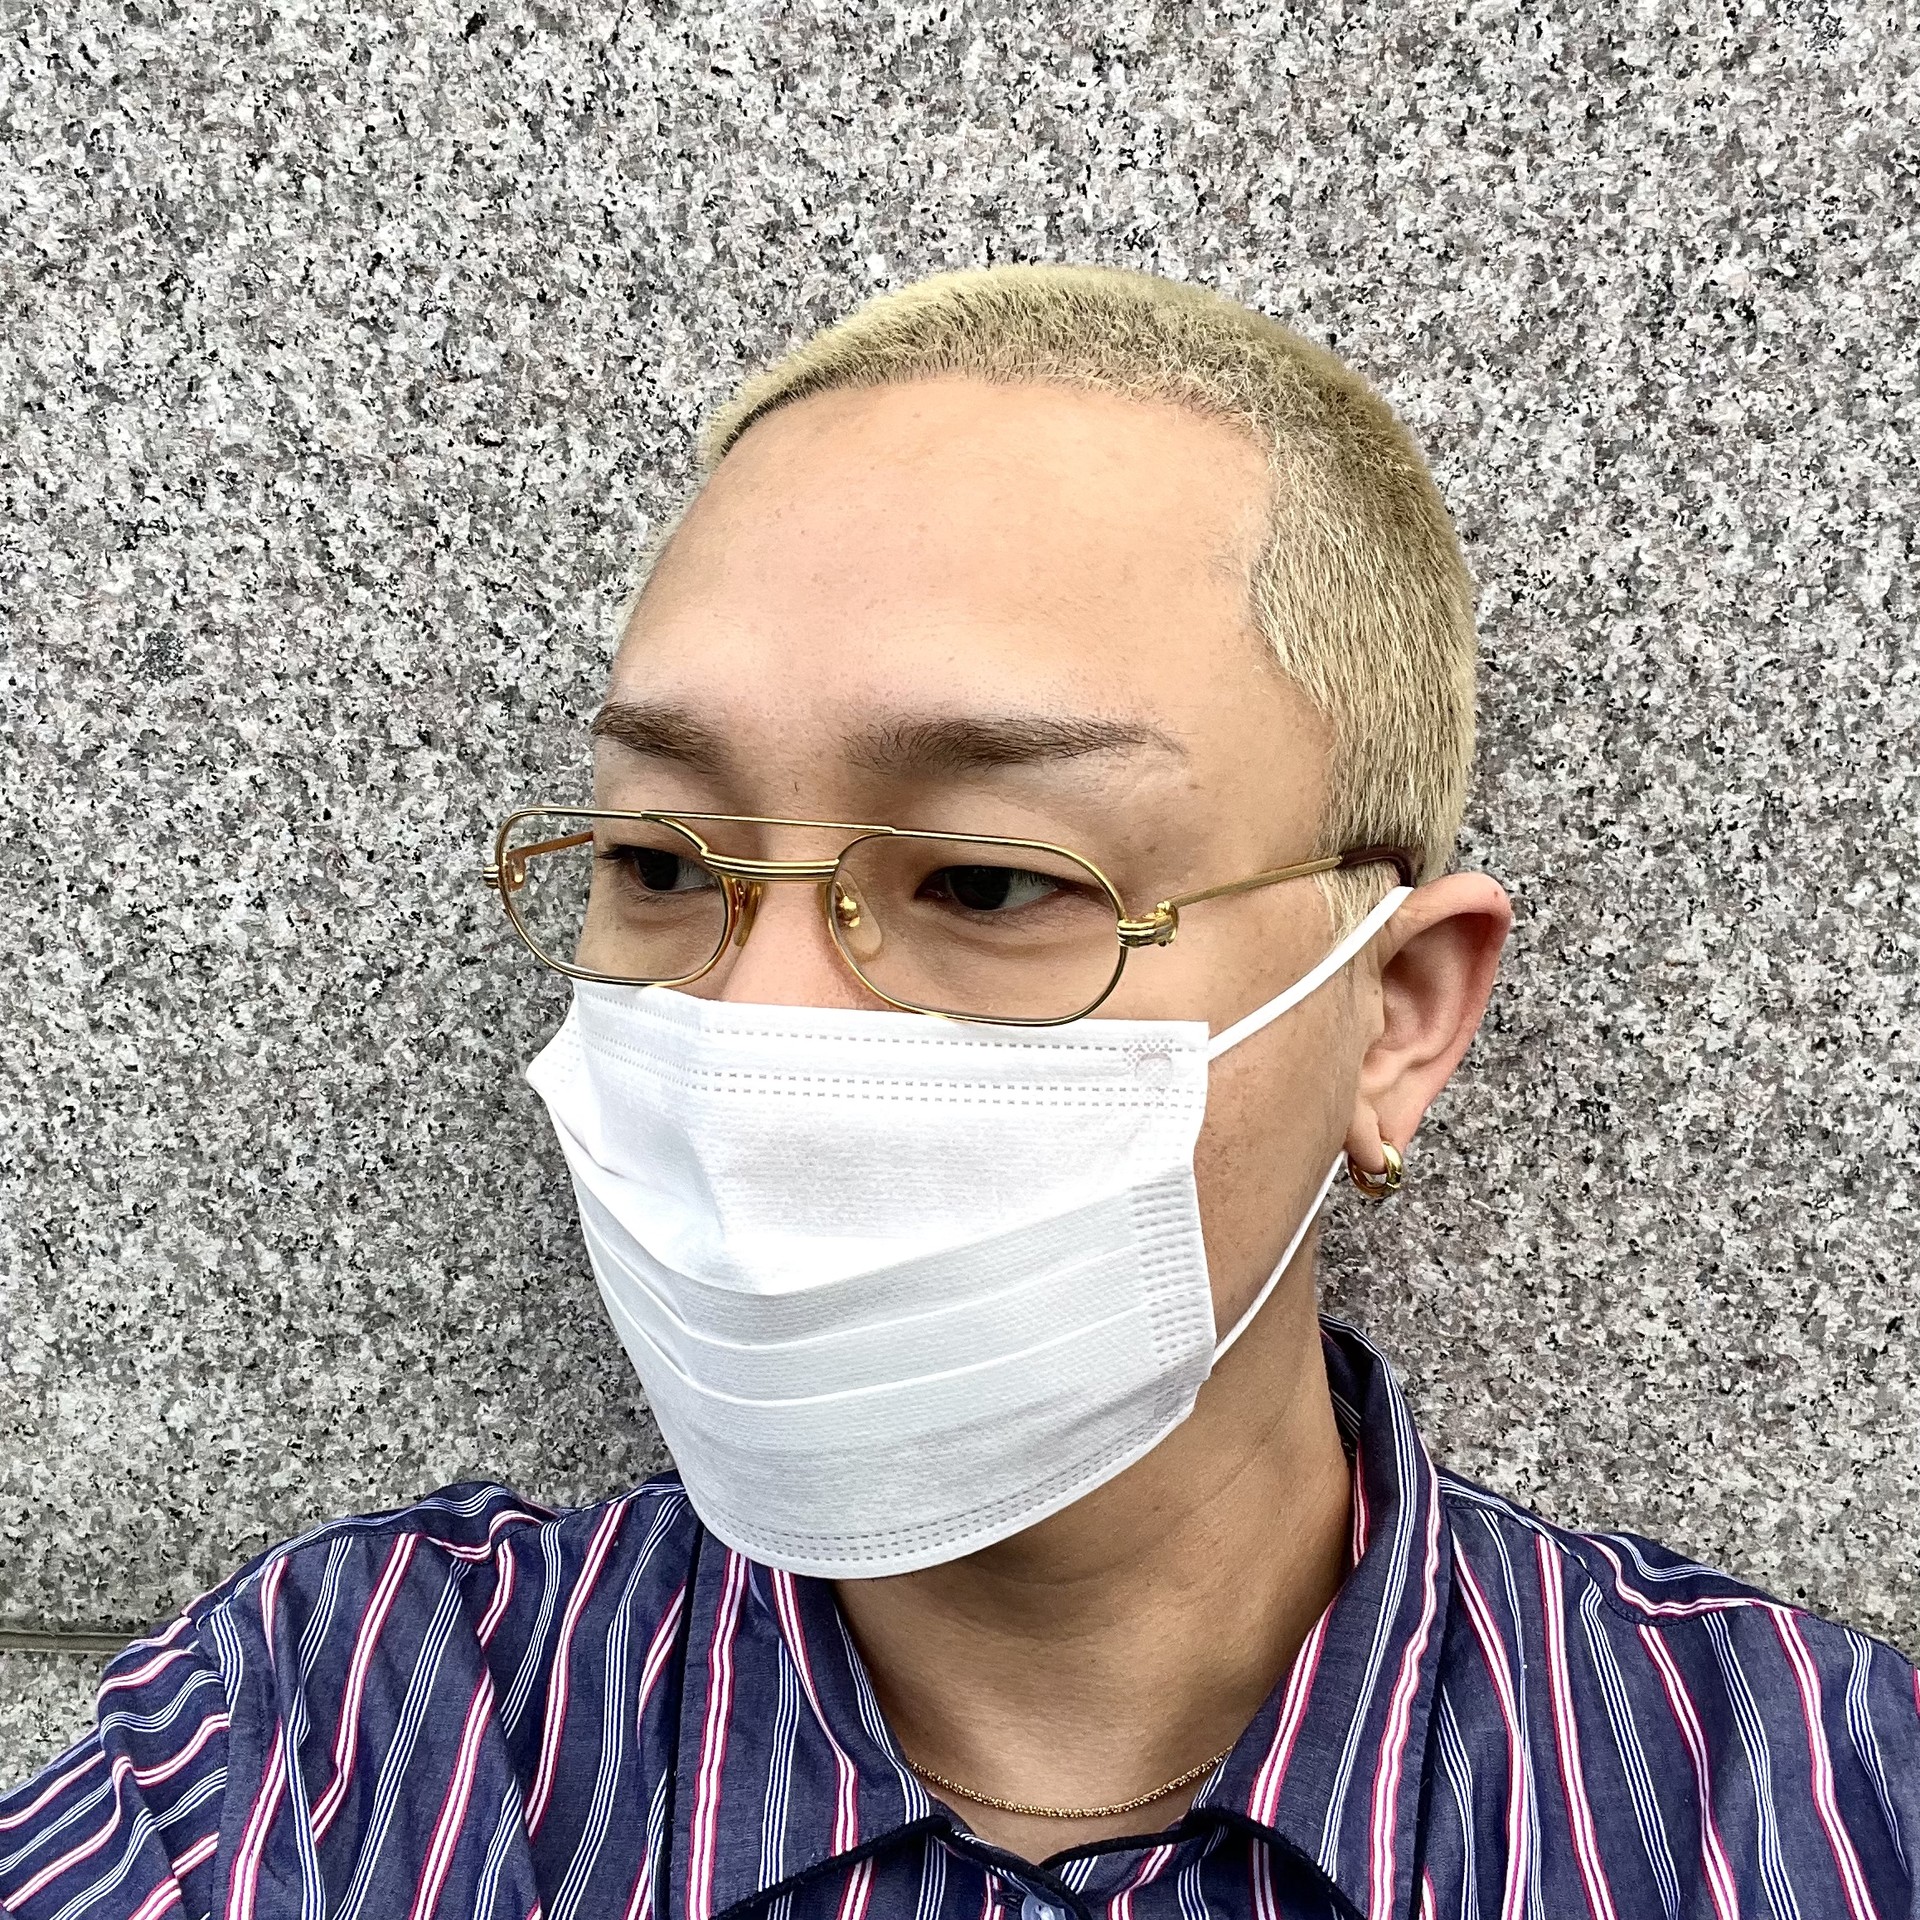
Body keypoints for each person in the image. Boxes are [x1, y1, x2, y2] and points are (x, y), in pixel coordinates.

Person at [3, 264, 1913, 1920]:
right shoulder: (337, 1745)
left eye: (991, 882)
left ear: (1395, 1015)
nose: (758, 1030)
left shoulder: (1807, 1808)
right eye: (660, 862)